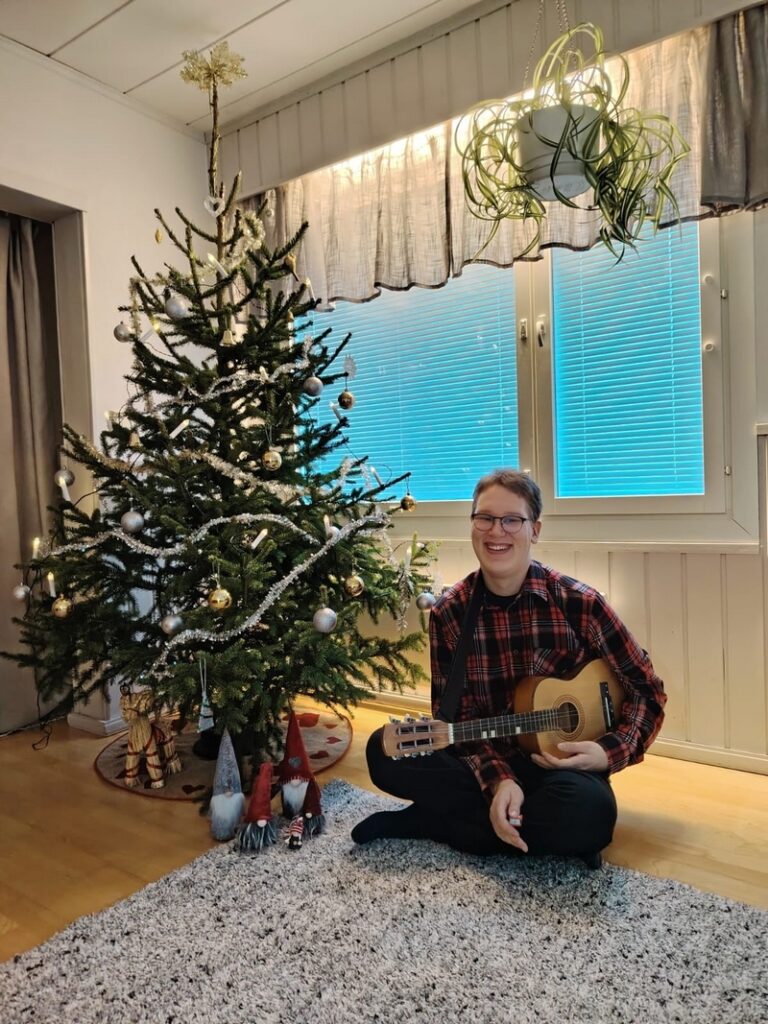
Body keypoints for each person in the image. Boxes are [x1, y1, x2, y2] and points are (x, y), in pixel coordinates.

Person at [351, 469, 667, 868]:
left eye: (511, 520)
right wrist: (500, 781)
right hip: (484, 757)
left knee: (590, 813)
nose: (496, 531)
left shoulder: (580, 604)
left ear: (535, 530)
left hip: (558, 765)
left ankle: (435, 821)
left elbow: (647, 691)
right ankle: (523, 825)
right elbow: (458, 719)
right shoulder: (450, 613)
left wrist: (607, 752)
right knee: (383, 751)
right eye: (484, 518)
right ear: (472, 525)